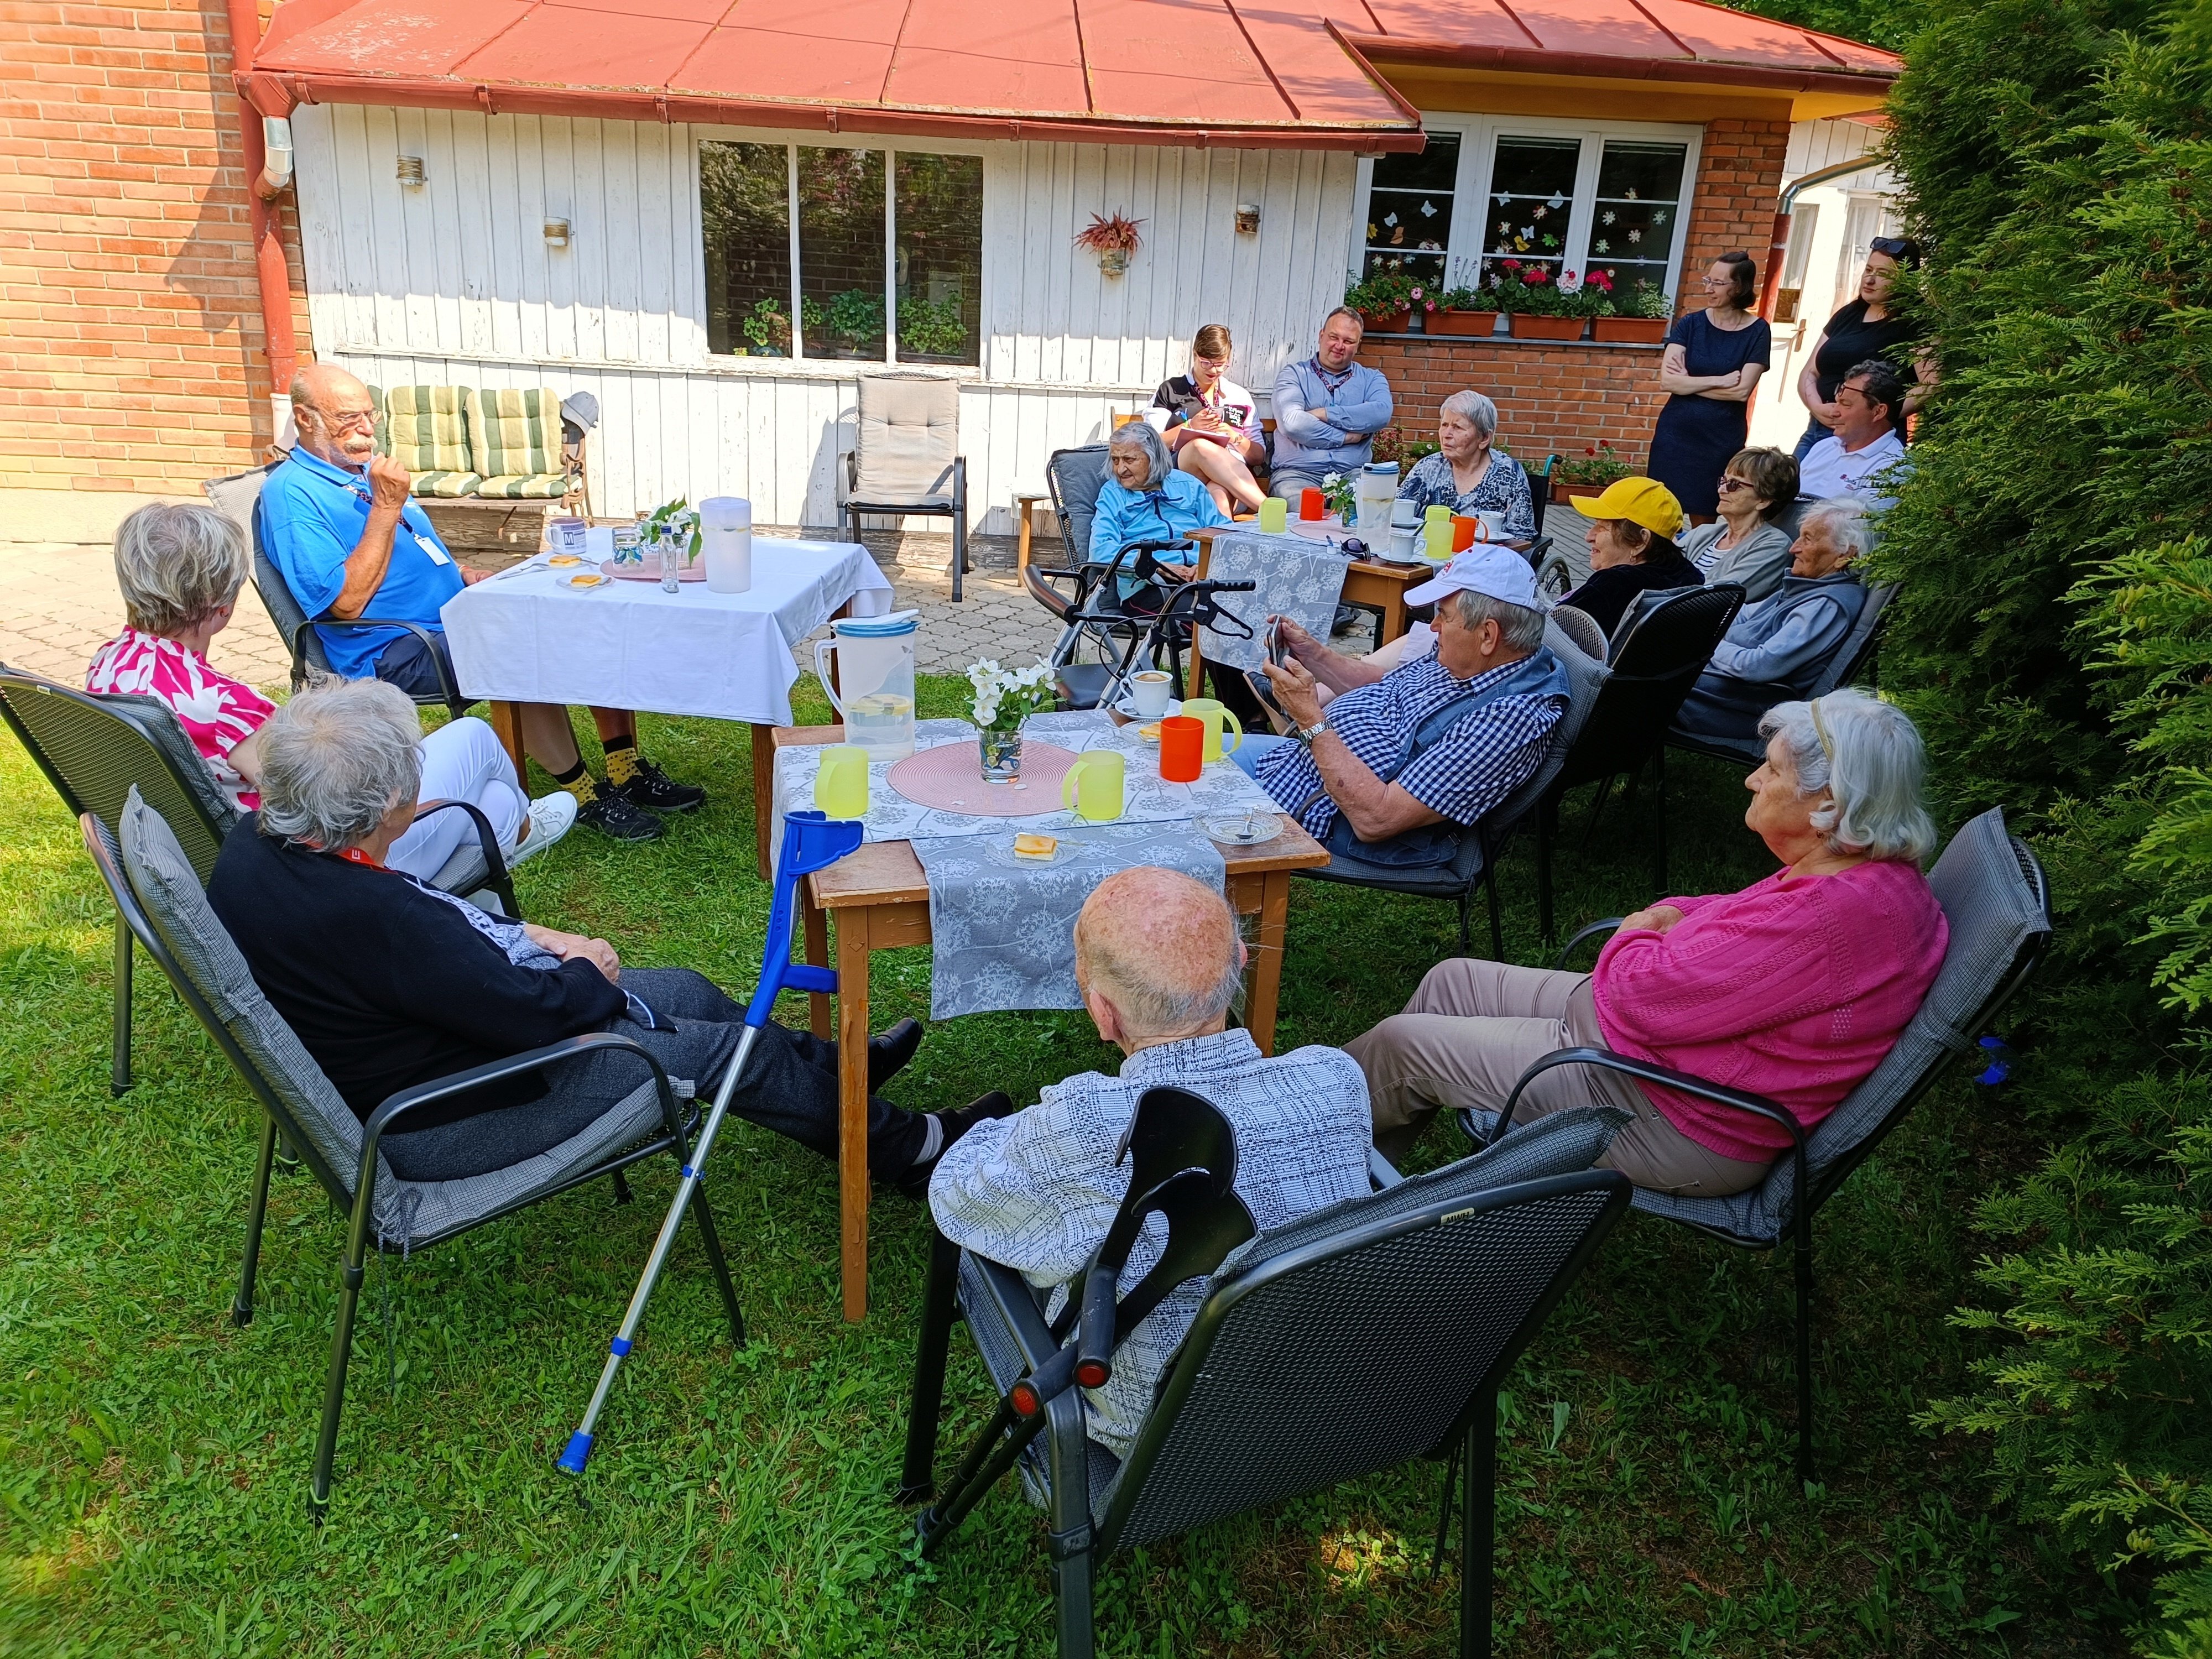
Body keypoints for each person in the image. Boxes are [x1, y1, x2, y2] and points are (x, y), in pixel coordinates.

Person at [206, 677, 1013, 1188]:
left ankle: (840, 1077)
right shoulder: (371, 916)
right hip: (454, 1109)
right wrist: (586, 967)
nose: (417, 803)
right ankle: (914, 1150)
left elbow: (436, 945)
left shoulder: (259, 848)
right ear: (383, 808)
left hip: (433, 1053)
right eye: (411, 790)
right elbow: (527, 1014)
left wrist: (539, 937)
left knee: (690, 993)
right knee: (733, 1052)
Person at [1346, 687, 1948, 1185]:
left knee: (1405, 1045)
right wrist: (1674, 915)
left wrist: (1637, 931)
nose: (1752, 780)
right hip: (1663, 1055)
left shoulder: (1830, 918)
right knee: (1450, 982)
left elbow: (1639, 996)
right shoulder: (1870, 873)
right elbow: (1734, 915)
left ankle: (1284, 1168)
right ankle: (1353, 1183)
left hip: (1678, 1112)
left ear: (1830, 801)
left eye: (1772, 770)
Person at [928, 867, 1372, 1456]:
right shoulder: (1335, 1078)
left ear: (1102, 1013)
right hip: (1321, 1398)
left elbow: (957, 1197)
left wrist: (1014, 1129)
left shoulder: (1085, 1121)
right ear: (1239, 961)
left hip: (1167, 1435)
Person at [257, 363, 698, 843]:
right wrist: (387, 506)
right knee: (521, 646)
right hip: (396, 650)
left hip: (453, 615)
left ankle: (625, 769)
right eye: (349, 418)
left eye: (371, 415)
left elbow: (410, 551)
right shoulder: (292, 496)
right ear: (304, 418)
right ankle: (585, 794)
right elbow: (345, 605)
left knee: (579, 614)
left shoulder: (361, 471)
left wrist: (460, 574)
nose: (366, 429)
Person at [86, 502, 575, 880]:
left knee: (493, 803)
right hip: (318, 875)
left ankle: (512, 829)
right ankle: (520, 828)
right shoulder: (224, 706)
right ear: (223, 606)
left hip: (201, 865)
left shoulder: (108, 666)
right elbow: (329, 805)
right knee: (475, 739)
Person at [1234, 547, 1568, 867]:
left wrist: (1310, 718)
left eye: (1444, 616)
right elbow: (1385, 683)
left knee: (1189, 795)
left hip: (1320, 808)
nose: (1433, 628)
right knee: (1188, 752)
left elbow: (1377, 819)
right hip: (1293, 763)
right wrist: (1314, 654)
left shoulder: (1508, 721)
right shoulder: (1474, 661)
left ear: (1488, 635)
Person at [1672, 497, 1873, 744]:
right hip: (1710, 686)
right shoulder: (1806, 586)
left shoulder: (1826, 605)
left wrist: (1705, 642)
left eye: (1807, 540)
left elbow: (1757, 666)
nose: (1794, 548)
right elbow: (1740, 614)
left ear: (1845, 555)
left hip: (1734, 706)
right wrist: (1691, 621)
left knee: (1626, 692)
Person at [1645, 252, 1772, 521]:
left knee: (1705, 519)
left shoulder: (1758, 331)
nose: (1708, 289)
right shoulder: (1690, 324)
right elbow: (1668, 381)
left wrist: (1688, 383)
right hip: (1675, 436)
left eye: (1718, 283)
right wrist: (1719, 380)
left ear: (1738, 287)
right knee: (1661, 515)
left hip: (1720, 440)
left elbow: (1740, 392)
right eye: (1708, 280)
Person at [1794, 235, 1928, 460]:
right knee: (1787, 492)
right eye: (1868, 270)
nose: (1870, 279)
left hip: (1870, 440)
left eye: (1883, 274)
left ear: (1906, 279)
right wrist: (1817, 407)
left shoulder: (1915, 322)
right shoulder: (1848, 314)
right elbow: (1810, 371)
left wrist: (1873, 416)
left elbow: (1931, 387)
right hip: (1819, 429)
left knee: (1850, 497)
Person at [1088, 419, 1230, 608]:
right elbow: (1100, 551)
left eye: (1129, 460)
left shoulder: (1188, 485)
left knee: (1240, 608)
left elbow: (1223, 534)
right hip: (1149, 586)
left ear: (1153, 457)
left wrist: (1207, 567)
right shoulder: (1113, 494)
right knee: (1205, 616)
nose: (1120, 469)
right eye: (1116, 460)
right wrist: (1157, 566)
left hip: (1201, 580)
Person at [1269, 309, 1395, 502]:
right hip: (1297, 475)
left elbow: (1381, 413)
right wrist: (1346, 437)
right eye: (1334, 337)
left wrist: (1324, 414)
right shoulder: (1294, 375)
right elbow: (1292, 423)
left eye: (1349, 341)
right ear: (1321, 336)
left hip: (1352, 475)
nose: (1339, 346)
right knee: (1302, 514)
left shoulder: (1372, 379)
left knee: (1364, 509)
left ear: (1358, 344)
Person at [1143, 324, 1268, 515]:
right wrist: (1190, 426)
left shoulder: (1238, 395)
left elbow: (1258, 456)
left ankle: (1221, 544)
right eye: (1206, 363)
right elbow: (1152, 442)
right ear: (1194, 354)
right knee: (1200, 446)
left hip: (1231, 483)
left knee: (1218, 497)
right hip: (1182, 476)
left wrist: (1233, 437)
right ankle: (1269, 509)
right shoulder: (1172, 390)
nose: (1214, 370)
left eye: (1221, 364)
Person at [1559, 476, 1704, 637]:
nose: (1589, 536)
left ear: (1640, 541)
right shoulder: (1690, 576)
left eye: (1602, 527)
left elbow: (1544, 635)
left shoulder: (1613, 586)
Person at [1395, 391, 1535, 550]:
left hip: (1484, 563)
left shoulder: (1508, 473)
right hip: (1425, 556)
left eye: (1458, 427)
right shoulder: (1429, 467)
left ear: (1484, 438)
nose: (1446, 435)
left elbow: (1522, 537)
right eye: (1444, 425)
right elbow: (1398, 516)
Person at [1681, 447, 1799, 603]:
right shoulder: (1702, 532)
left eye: (1734, 485)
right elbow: (1659, 570)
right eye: (1723, 481)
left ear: (1764, 500)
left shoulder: (1774, 546)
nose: (1722, 490)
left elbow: (1714, 598)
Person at [1796, 361, 1911, 508]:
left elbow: (1857, 528)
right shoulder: (1824, 446)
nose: (1833, 412)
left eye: (1846, 404)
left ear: (1878, 412)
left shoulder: (1893, 467)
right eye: (1837, 402)